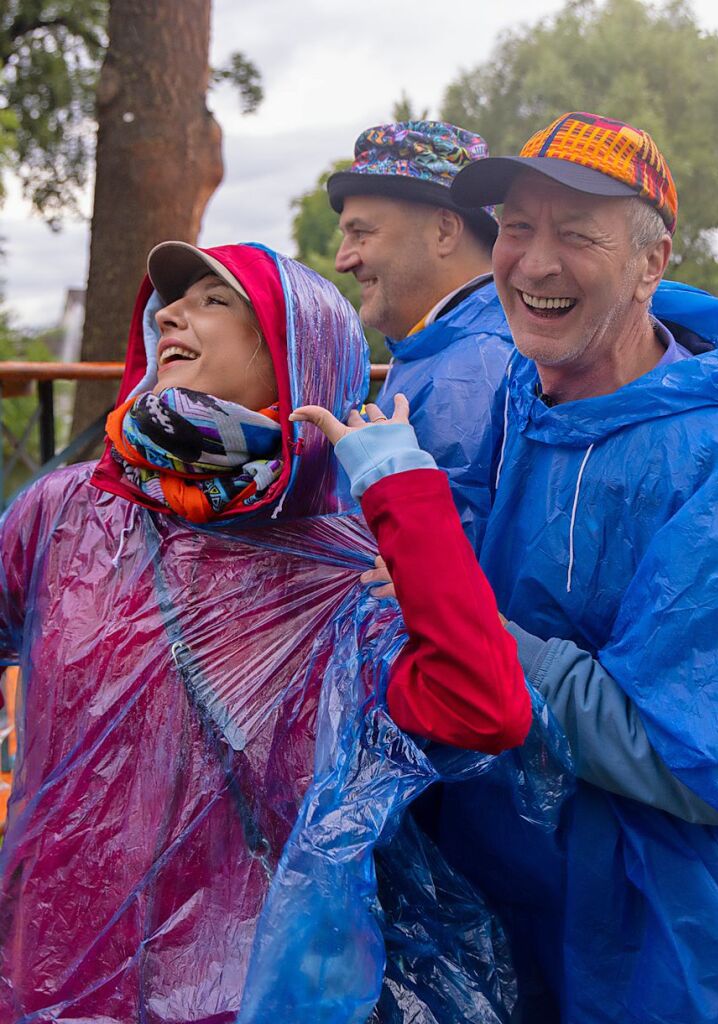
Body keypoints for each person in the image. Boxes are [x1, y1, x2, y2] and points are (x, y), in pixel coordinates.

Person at [296, 112, 718, 1023]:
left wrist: (478, 629)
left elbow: (702, 765)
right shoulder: (520, 391)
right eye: (516, 228)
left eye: (576, 234)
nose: (534, 263)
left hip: (657, 943)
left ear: (650, 263)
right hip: (509, 905)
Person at [0, 240, 530, 1020]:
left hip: (251, 990)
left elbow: (483, 709)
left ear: (297, 350)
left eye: (216, 301)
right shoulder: (71, 511)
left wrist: (404, 493)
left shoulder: (348, 570)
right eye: (169, 305)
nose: (173, 312)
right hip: (49, 970)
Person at [328, 120, 513, 550]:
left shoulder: (479, 366)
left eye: (361, 232)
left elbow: (423, 574)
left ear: (445, 231)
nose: (342, 260)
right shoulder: (437, 350)